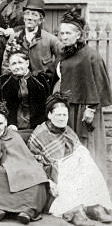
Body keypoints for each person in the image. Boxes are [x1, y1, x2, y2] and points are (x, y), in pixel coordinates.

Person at [28, 92, 112, 226]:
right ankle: (75, 212)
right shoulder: (39, 134)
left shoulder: (68, 130)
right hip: (53, 174)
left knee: (85, 157)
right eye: (58, 115)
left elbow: (78, 151)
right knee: (69, 167)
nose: (62, 119)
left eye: (64, 115)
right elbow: (33, 162)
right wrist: (48, 180)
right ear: (49, 115)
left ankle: (95, 207)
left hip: (74, 171)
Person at [54, 8, 112, 177]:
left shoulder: (90, 55)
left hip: (84, 109)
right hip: (68, 107)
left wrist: (91, 108)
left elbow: (99, 82)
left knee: (86, 147)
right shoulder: (64, 53)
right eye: (61, 33)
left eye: (67, 33)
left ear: (78, 34)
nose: (63, 36)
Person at [0, 41, 50, 139]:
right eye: (13, 64)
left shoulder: (40, 80)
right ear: (9, 66)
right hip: (13, 126)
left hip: (37, 125)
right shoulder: (3, 82)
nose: (17, 67)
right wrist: (10, 123)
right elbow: (2, 105)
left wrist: (41, 124)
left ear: (27, 63)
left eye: (20, 62)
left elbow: (47, 104)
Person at [2, 0, 62, 82]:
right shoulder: (14, 37)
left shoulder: (50, 40)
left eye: (34, 14)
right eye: (27, 13)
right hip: (18, 86)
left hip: (42, 87)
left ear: (40, 20)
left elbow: (62, 58)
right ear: (23, 17)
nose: (30, 17)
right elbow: (6, 64)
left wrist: (51, 76)